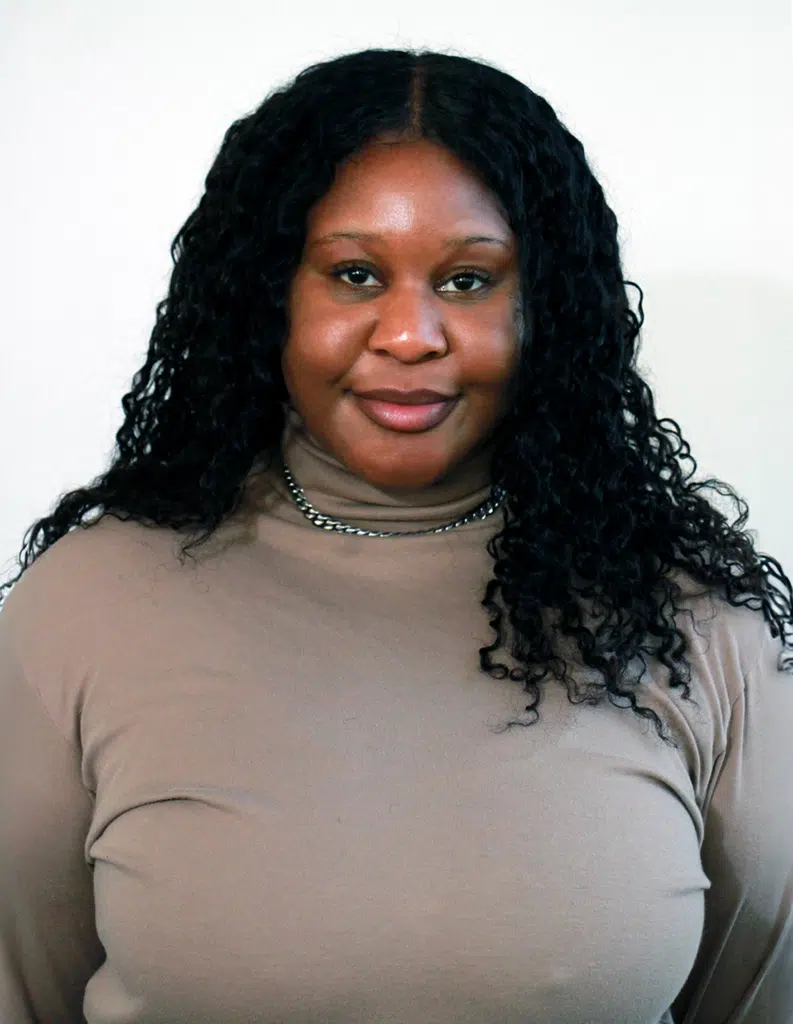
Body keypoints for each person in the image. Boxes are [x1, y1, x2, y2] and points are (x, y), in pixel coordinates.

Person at [0, 46, 791, 1024]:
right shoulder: (86, 604)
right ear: (269, 296)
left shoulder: (695, 624)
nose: (411, 333)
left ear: (544, 307)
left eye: (468, 281)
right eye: (355, 272)